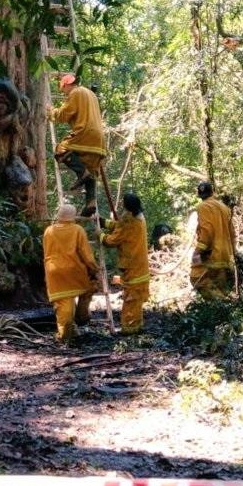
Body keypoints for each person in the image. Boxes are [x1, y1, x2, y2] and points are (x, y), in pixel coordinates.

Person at [50, 74, 106, 217]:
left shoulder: (76, 92)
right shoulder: (91, 95)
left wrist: (51, 111)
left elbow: (64, 114)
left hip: (85, 132)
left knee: (60, 149)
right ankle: (90, 203)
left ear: (67, 84)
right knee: (91, 171)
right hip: (99, 139)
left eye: (63, 90)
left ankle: (82, 173)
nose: (64, 93)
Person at [43, 204, 98, 344]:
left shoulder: (48, 231)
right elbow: (86, 255)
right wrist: (94, 268)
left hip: (54, 274)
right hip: (74, 273)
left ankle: (66, 334)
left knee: (63, 307)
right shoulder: (77, 230)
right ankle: (78, 321)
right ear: (72, 217)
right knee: (90, 288)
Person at [100, 192, 150, 335]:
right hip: (139, 267)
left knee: (131, 300)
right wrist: (104, 223)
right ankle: (136, 327)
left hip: (133, 267)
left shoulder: (130, 221)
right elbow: (119, 226)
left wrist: (100, 235)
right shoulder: (137, 217)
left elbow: (112, 241)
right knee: (136, 300)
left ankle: (129, 330)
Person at [190, 181, 236, 300]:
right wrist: (233, 252)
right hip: (225, 255)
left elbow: (207, 231)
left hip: (212, 256)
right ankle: (225, 310)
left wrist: (198, 251)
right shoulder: (224, 207)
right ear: (212, 192)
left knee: (196, 278)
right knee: (222, 287)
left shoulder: (203, 207)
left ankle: (222, 304)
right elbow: (232, 232)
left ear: (200, 195)